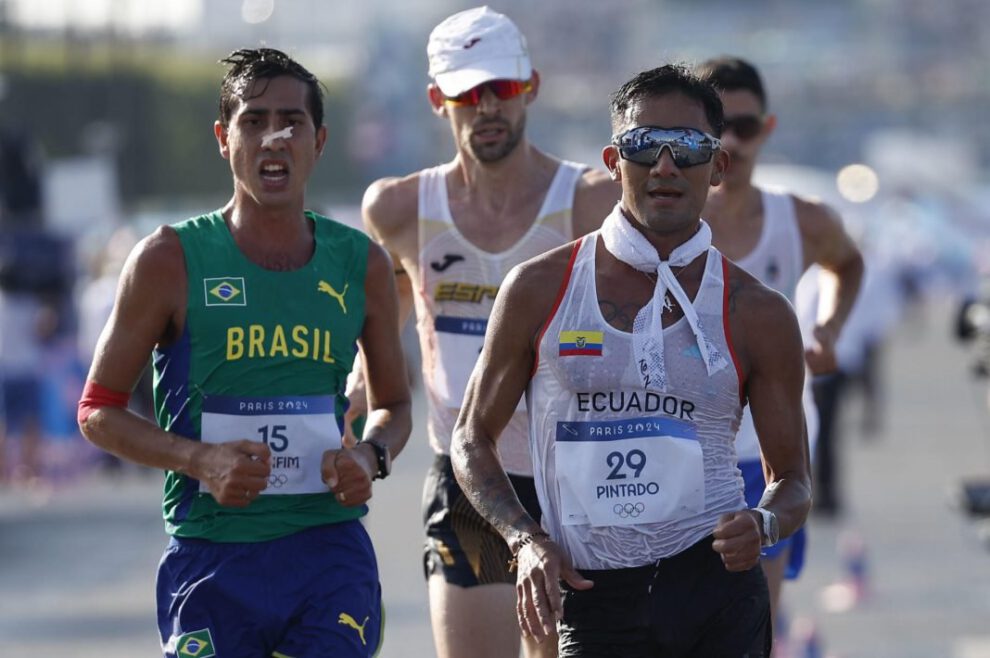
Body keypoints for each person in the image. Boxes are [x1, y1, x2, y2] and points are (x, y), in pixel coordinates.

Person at [451, 64, 812, 657]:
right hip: (592, 591)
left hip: (715, 589)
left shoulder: (758, 311)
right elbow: (470, 438)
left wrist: (764, 523)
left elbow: (793, 480)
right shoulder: (540, 288)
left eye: (687, 147)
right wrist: (524, 540)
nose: (665, 166)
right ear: (614, 162)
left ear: (718, 166)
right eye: (643, 145)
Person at [76, 48, 411, 658]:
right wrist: (201, 460)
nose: (273, 138)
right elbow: (97, 409)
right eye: (253, 121)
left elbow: (394, 404)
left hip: (328, 554)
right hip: (212, 558)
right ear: (222, 140)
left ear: (319, 141)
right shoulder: (168, 259)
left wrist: (369, 455)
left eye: (291, 122)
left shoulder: (361, 262)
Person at [354, 7, 619, 657]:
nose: (487, 107)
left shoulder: (591, 201)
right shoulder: (399, 208)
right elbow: (389, 312)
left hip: (576, 477)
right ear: (437, 101)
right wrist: (354, 395)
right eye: (468, 94)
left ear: (530, 86)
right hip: (469, 477)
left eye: (500, 88)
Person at [696, 55, 863, 623]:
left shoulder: (802, 221)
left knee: (752, 629)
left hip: (767, 458)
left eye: (744, 128)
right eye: (718, 128)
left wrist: (829, 328)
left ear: (766, 129)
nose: (730, 144)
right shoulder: (662, 222)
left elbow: (848, 263)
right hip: (679, 455)